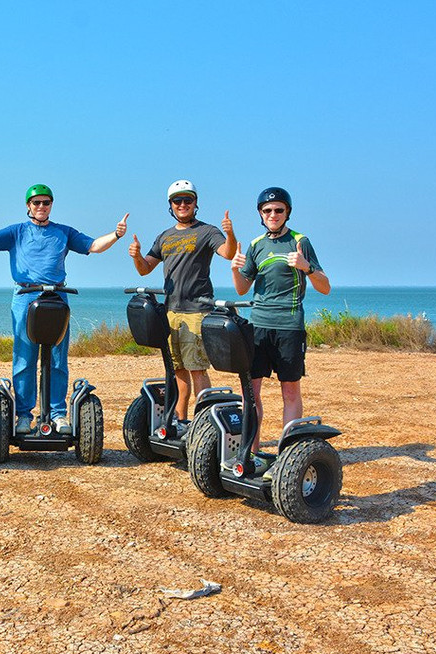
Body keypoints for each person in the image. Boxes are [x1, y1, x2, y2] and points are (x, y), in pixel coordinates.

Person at [0, 185, 127, 434]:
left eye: (46, 203)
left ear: (51, 205)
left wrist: (116, 234)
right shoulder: (17, 231)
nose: (41, 207)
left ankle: (57, 414)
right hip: (26, 295)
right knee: (25, 357)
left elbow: (94, 246)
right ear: (28, 206)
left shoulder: (63, 232)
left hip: (56, 296)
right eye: (36, 203)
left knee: (58, 357)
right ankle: (24, 415)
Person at [230, 186, 330, 454]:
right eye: (267, 210)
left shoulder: (300, 241)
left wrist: (305, 267)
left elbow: (325, 287)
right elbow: (242, 288)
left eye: (278, 210)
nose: (272, 214)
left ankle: (289, 454)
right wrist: (234, 269)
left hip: (289, 327)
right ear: (260, 214)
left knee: (290, 393)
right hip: (258, 325)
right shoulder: (255, 245)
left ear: (287, 212)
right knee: (250, 393)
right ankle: (250, 451)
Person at [128, 180, 237, 422]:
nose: (183, 204)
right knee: (177, 371)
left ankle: (206, 424)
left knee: (197, 368)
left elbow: (228, 254)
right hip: (170, 312)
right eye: (178, 200)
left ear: (196, 203)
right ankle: (181, 422)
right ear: (171, 205)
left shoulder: (207, 231)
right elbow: (145, 269)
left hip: (197, 311)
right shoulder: (164, 236)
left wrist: (230, 233)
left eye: (188, 200)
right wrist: (136, 256)